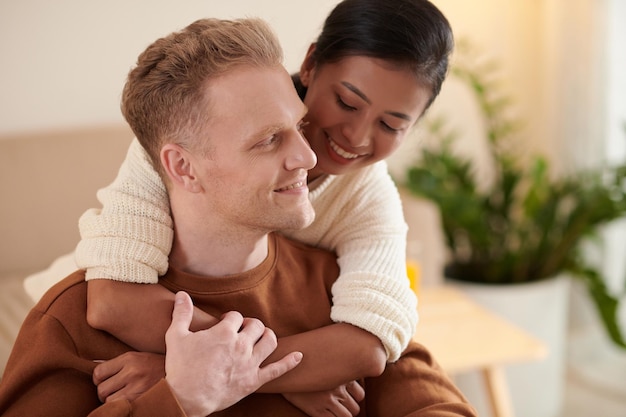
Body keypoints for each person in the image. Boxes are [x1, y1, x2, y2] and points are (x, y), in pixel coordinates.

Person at [0, 16, 475, 416]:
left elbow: (378, 354)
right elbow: (112, 302)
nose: (310, 156)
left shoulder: (335, 286)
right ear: (181, 167)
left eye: (392, 124)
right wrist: (183, 392)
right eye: (269, 139)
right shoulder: (75, 316)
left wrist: (238, 373)